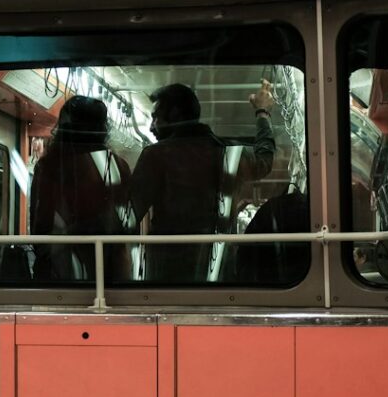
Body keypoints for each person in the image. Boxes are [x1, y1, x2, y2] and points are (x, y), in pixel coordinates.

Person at [129, 79, 275, 283]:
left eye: (156, 118)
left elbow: (128, 217)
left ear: (175, 116)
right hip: (219, 268)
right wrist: (262, 113)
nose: (151, 127)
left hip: (166, 273)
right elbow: (265, 161)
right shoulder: (228, 153)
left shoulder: (157, 156)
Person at [29, 95, 132, 281]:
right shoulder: (117, 166)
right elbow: (125, 223)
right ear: (102, 128)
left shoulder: (51, 166)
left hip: (59, 270)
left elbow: (41, 225)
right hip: (110, 270)